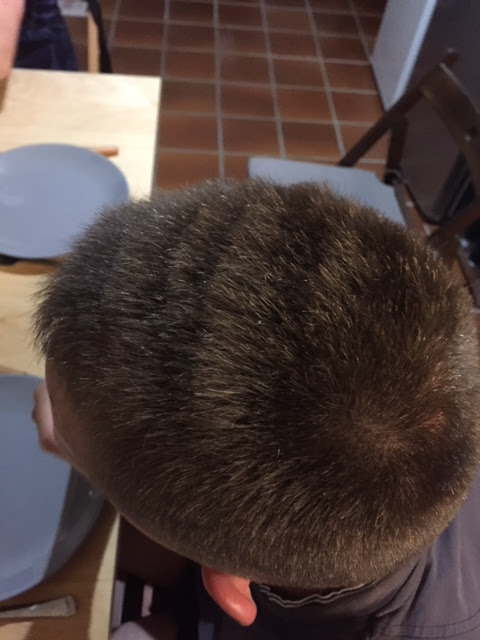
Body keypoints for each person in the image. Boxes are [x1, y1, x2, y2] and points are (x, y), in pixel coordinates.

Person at [32, 180, 480, 640]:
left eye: (59, 442)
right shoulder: (438, 413)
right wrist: (81, 436)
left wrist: (85, 449)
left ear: (230, 590)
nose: (38, 413)